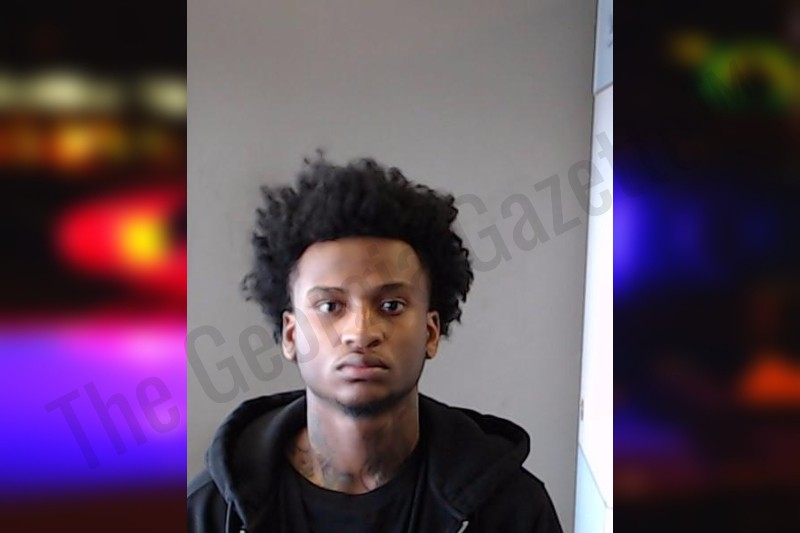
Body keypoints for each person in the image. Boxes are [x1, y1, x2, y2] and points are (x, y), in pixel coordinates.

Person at [187, 155, 563, 532]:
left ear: (430, 332)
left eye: (391, 305)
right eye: (330, 306)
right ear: (291, 335)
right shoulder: (211, 512)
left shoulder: (511, 509)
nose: (361, 331)